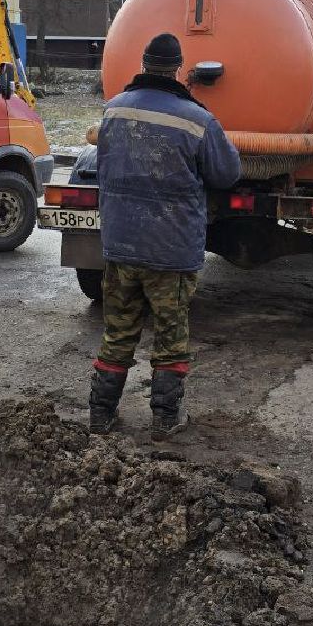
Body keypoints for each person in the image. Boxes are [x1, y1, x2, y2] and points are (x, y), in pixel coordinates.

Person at [89, 32, 242, 439]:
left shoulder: (113, 111)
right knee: (171, 335)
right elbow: (226, 174)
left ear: (142, 62)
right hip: (171, 250)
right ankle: (164, 418)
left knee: (118, 331)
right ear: (178, 68)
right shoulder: (196, 118)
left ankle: (100, 416)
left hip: (120, 244)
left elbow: (103, 167)